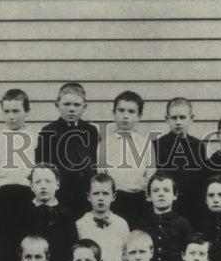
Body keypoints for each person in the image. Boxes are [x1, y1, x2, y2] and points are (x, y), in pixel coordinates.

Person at [35, 82, 99, 214]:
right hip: (60, 194)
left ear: (84, 107)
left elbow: (96, 163)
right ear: (57, 105)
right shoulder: (49, 131)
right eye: (67, 104)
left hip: (85, 194)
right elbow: (42, 165)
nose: (72, 109)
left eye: (76, 105)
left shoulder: (91, 131)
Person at [98, 90, 154, 223]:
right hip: (114, 201)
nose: (125, 116)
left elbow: (150, 175)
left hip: (139, 201)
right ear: (114, 113)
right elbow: (101, 175)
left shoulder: (145, 143)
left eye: (131, 112)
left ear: (139, 116)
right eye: (121, 110)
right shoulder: (105, 144)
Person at [152, 97, 208, 226]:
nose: (178, 122)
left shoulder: (198, 146)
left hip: (192, 205)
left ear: (191, 118)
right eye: (174, 118)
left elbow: (201, 178)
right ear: (167, 119)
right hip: (166, 205)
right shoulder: (157, 145)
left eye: (182, 117)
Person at [20, 164, 79, 261]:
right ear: (31, 186)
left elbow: (71, 246)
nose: (43, 186)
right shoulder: (23, 213)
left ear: (57, 184)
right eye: (38, 182)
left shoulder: (66, 214)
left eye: (48, 181)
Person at [132, 172, 193, 261]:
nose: (161, 194)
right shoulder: (142, 224)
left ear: (175, 195)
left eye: (166, 190)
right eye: (155, 191)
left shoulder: (183, 224)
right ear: (149, 196)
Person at [0, 88, 39, 210]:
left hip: (28, 193)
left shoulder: (35, 139)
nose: (11, 116)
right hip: (2, 193)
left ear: (27, 111)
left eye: (16, 111)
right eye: (7, 111)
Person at [76, 173, 130, 261]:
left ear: (113, 196)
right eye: (96, 193)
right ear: (89, 196)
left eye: (105, 193)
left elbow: (127, 253)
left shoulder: (121, 224)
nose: (101, 198)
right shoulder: (81, 224)